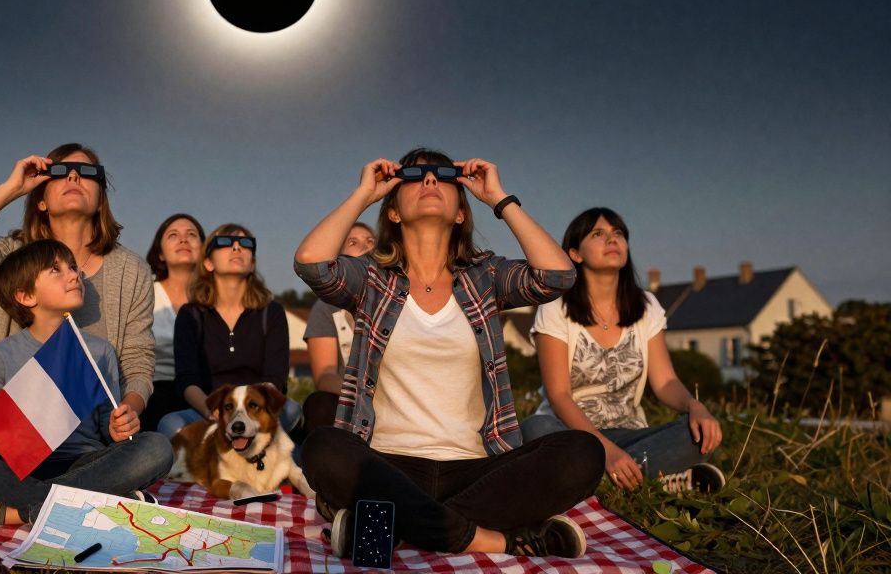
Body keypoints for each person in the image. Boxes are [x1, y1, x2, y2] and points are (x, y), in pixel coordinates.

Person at [294, 148, 606, 559]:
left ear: (461, 211)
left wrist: (499, 199)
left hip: (475, 468)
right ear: (392, 212)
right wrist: (363, 195)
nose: (428, 182)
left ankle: (392, 528)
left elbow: (558, 276)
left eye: (442, 176)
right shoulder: (371, 277)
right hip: (387, 464)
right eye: (414, 176)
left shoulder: (486, 276)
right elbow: (312, 264)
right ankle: (499, 539)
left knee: (583, 453)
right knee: (324, 449)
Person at [0, 240, 173, 526]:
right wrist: (26, 433)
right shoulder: (3, 353)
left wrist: (119, 426)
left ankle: (17, 512)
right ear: (26, 295)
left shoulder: (98, 351)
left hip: (85, 465)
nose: (74, 274)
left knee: (156, 447)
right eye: (56, 270)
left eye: (73, 267)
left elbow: (107, 431)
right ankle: (78, 503)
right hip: (15, 469)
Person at [0, 143, 155, 422]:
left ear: (100, 200)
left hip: (93, 430)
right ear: (41, 201)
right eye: (60, 171)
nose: (73, 177)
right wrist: (10, 190)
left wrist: (131, 408)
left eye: (86, 172)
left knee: (154, 450)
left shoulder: (131, 270)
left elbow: (137, 359)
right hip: (18, 429)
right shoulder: (17, 254)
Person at [523, 207, 725, 493]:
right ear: (575, 254)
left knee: (696, 432)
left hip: (631, 435)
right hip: (572, 436)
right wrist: (605, 452)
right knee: (534, 429)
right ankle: (653, 479)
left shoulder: (647, 306)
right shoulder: (556, 307)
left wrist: (696, 407)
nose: (612, 239)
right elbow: (559, 395)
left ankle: (596, 483)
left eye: (618, 233)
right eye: (598, 234)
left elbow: (666, 382)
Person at [157, 224, 302, 439]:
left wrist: (251, 413)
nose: (236, 248)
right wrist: (212, 413)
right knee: (170, 424)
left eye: (245, 243)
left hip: (258, 410)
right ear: (208, 262)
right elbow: (187, 381)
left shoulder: (271, 311)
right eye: (224, 242)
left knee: (291, 410)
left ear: (252, 264)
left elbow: (275, 377)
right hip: (212, 412)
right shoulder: (191, 315)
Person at [299, 222, 375, 432]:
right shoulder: (325, 308)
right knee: (319, 404)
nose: (365, 246)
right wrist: (362, 396)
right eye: (353, 242)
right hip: (349, 397)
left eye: (371, 241)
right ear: (338, 256)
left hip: (398, 396)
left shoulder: (398, 298)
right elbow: (324, 375)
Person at [140, 213, 206, 433]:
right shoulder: (144, 294)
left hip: (207, 391)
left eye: (192, 235)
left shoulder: (216, 300)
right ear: (160, 253)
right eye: (173, 235)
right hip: (155, 390)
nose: (183, 240)